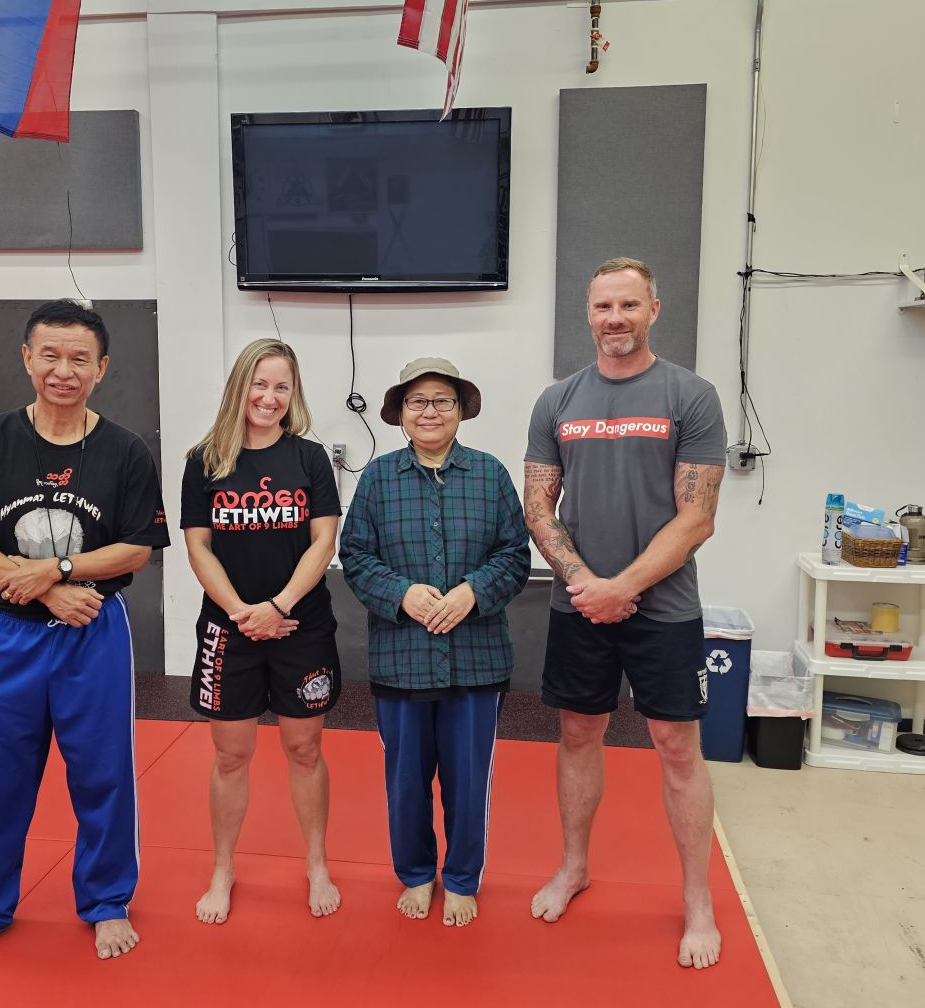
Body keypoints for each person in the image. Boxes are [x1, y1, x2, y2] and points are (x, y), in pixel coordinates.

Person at [0, 299, 170, 972]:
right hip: (8, 633)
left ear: (102, 368)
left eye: (79, 359)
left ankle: (106, 901)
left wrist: (60, 570)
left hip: (92, 631)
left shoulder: (125, 450)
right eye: (51, 355)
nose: (64, 370)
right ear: (27, 358)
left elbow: (136, 549)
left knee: (103, 773)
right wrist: (43, 589)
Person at [523, 257, 727, 969]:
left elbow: (697, 517)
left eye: (629, 305)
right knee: (579, 733)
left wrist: (624, 587)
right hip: (578, 602)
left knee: (676, 747)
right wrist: (586, 582)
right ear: (588, 314)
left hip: (664, 607)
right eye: (604, 306)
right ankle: (574, 866)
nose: (616, 318)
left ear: (653, 310)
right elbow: (539, 506)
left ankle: (697, 900)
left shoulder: (690, 395)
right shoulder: (558, 401)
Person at [340, 358, 529, 928]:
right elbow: (355, 556)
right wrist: (401, 594)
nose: (430, 411)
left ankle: (463, 878)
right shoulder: (378, 478)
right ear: (400, 413)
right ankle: (417, 874)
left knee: (469, 781)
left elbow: (514, 554)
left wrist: (473, 592)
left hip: (476, 658)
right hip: (403, 657)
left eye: (442, 400)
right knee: (406, 781)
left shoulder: (490, 474)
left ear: (460, 410)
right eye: (417, 401)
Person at [181, 338, 344, 925]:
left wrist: (278, 605)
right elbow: (198, 546)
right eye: (260, 383)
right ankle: (223, 868)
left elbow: (324, 541)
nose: (269, 397)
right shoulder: (205, 460)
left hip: (300, 624)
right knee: (231, 755)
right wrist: (242, 612)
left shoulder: (309, 458)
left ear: (293, 393)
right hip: (231, 629)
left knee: (304, 748)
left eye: (282, 386)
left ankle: (317, 863)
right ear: (239, 387)